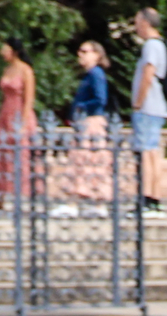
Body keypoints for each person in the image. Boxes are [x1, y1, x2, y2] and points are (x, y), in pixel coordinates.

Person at [131, 7, 167, 217]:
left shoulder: (151, 46)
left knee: (146, 153)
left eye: (137, 21)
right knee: (152, 153)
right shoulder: (158, 45)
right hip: (156, 107)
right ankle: (154, 199)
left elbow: (148, 73)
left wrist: (138, 102)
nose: (136, 26)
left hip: (148, 107)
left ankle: (146, 199)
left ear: (145, 22)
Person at [66, 39, 113, 210]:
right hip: (86, 120)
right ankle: (89, 199)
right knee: (85, 161)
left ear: (97, 55)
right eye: (80, 51)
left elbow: (100, 99)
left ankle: (87, 200)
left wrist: (80, 107)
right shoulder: (90, 74)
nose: (81, 55)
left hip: (91, 121)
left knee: (88, 161)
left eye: (85, 52)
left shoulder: (95, 74)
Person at [0, 39, 36, 208]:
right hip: (6, 111)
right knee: (2, 153)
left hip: (19, 111)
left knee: (20, 154)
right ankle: (2, 193)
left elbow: (29, 98)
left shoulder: (25, 70)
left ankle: (20, 194)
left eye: (5, 48)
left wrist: (24, 122)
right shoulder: (7, 69)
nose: (2, 51)